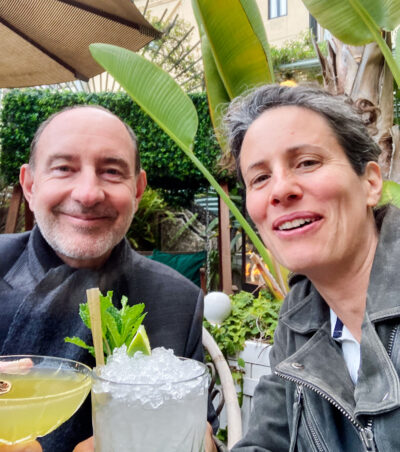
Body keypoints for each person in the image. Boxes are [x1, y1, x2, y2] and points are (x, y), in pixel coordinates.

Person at [0, 105, 217, 452]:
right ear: (29, 184)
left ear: (138, 189)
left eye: (112, 172)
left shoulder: (177, 299)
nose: (88, 194)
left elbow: (199, 427)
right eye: (63, 168)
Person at [214, 83, 398, 451]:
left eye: (308, 162)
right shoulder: (300, 319)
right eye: (260, 178)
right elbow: (267, 441)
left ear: (370, 182)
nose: (281, 190)